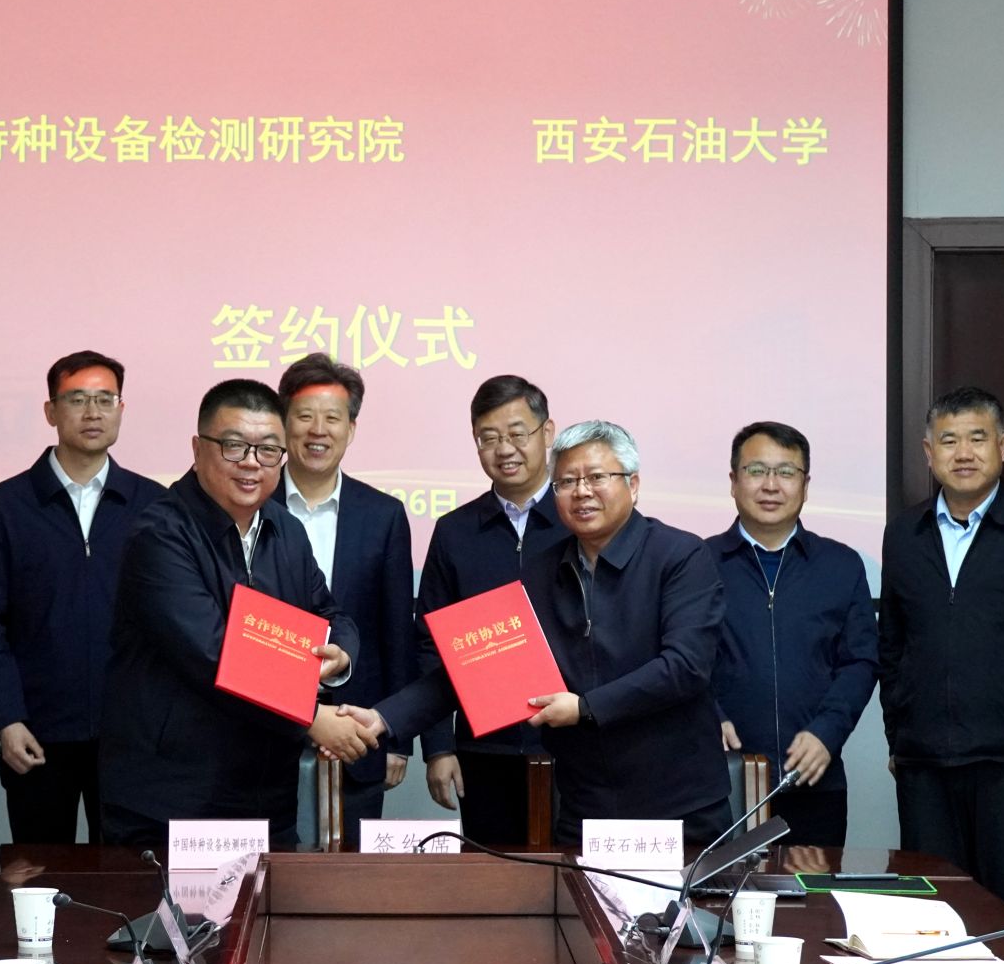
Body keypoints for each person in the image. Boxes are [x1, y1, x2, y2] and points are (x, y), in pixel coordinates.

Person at [351, 421, 727, 850]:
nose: (581, 491)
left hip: (679, 803)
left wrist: (584, 708)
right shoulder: (540, 572)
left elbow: (685, 667)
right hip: (585, 804)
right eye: (566, 482)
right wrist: (385, 718)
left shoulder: (680, 555)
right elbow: (477, 666)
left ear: (633, 485)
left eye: (596, 477)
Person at [97, 378, 368, 849]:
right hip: (173, 797)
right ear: (198, 448)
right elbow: (214, 653)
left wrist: (340, 653)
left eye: (268, 450)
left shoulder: (285, 528)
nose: (251, 462)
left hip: (266, 793)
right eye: (234, 446)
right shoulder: (160, 534)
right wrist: (310, 719)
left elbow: (328, 611)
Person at [879, 386, 1004, 915]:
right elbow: (893, 644)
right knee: (930, 911)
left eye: (977, 438)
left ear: (1003, 446)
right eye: (949, 441)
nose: (964, 453)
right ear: (929, 453)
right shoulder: (903, 535)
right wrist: (899, 737)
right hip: (924, 762)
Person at [0, 351, 163, 844]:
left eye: (105, 399)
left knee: (125, 874)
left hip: (130, 735)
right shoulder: (5, 506)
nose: (92, 412)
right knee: (39, 875)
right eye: (77, 400)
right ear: (51, 411)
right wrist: (7, 718)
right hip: (36, 732)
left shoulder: (153, 504)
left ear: (121, 409)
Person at [410, 375, 567, 846]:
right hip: (483, 748)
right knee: (494, 875)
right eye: (489, 438)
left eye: (517, 433)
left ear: (547, 432)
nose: (504, 449)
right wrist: (438, 747)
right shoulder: (455, 531)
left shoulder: (578, 520)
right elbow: (430, 644)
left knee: (576, 877)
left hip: (573, 744)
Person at [708, 422, 878, 847]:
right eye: (756, 471)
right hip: (720, 778)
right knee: (717, 889)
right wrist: (708, 715)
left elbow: (860, 661)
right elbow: (680, 658)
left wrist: (828, 732)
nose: (771, 485)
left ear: (805, 485)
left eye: (786, 472)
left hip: (814, 779)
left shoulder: (840, 565)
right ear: (733, 481)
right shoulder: (697, 563)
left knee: (811, 890)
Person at [269, 354, 415, 841]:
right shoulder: (252, 504)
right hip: (260, 731)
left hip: (359, 730)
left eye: (332, 418)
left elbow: (396, 631)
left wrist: (397, 737)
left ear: (351, 429)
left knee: (350, 872)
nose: (318, 430)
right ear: (283, 423)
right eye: (304, 416)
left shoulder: (383, 515)